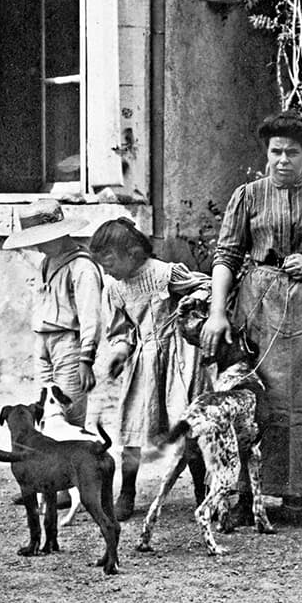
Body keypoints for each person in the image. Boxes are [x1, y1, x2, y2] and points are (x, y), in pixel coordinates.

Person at [199, 111, 302, 531]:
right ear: (266, 153)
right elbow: (227, 256)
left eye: (292, 152)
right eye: (275, 151)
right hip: (258, 307)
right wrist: (218, 313)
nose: (282, 160)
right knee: (250, 399)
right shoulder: (248, 196)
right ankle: (241, 495)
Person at [89, 218, 208, 522]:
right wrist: (119, 351)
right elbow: (121, 330)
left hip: (180, 358)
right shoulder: (114, 288)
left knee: (188, 424)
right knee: (132, 426)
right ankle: (127, 491)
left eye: (110, 261)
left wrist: (192, 303)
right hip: (144, 361)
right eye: (102, 265)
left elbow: (207, 285)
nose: (106, 270)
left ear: (132, 253)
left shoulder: (164, 273)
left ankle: (203, 493)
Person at [2, 200, 103, 440]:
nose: (37, 246)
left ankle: (79, 467)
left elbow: (92, 317)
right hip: (42, 342)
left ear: (59, 234)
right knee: (45, 411)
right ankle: (54, 471)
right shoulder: (46, 262)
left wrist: (86, 358)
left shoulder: (82, 267)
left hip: (68, 343)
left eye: (42, 238)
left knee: (69, 409)